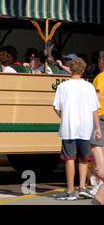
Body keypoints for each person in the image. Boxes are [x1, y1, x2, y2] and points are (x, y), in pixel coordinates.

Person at [52, 57, 101, 201]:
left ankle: (70, 191)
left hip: (68, 128)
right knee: (84, 159)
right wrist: (97, 128)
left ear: (70, 69)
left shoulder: (63, 86)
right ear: (83, 70)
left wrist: (64, 117)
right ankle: (83, 188)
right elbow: (94, 110)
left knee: (69, 159)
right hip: (86, 128)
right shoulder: (89, 86)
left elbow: (56, 107)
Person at [90, 51, 104, 196]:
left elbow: (96, 100)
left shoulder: (100, 77)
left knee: (97, 147)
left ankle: (101, 182)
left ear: (101, 62)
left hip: (100, 115)